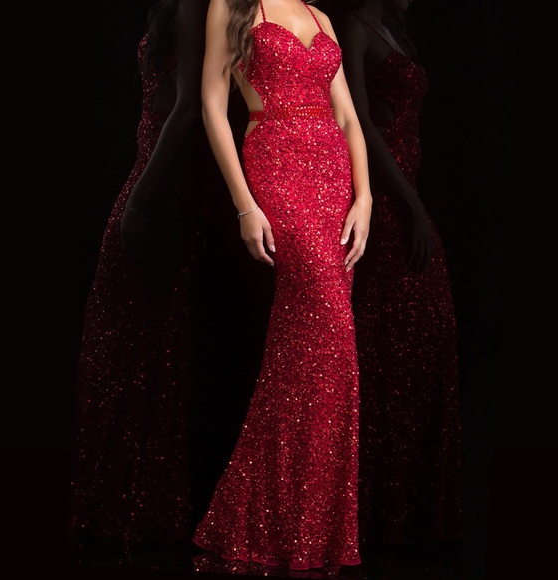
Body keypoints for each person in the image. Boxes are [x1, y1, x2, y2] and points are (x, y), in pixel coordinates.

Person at [192, 0, 372, 570]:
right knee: (330, 334)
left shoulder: (320, 16)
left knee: (309, 350)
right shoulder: (232, 5)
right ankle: (286, 519)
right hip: (277, 161)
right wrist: (244, 204)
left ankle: (291, 523)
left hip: (335, 175)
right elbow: (212, 105)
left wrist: (365, 197)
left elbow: (347, 117)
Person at [68, 0, 207, 561]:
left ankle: (138, 501)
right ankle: (117, 498)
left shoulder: (194, 6)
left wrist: (141, 198)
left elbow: (188, 106)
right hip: (150, 168)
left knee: (140, 336)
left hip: (162, 179)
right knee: (124, 336)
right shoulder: (169, 7)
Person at [338, 0, 463, 557]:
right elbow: (359, 123)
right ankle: (375, 509)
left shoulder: (390, 29)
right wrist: (409, 205)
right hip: (382, 198)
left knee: (419, 340)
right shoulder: (352, 27)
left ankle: (409, 508)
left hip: (406, 190)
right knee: (389, 340)